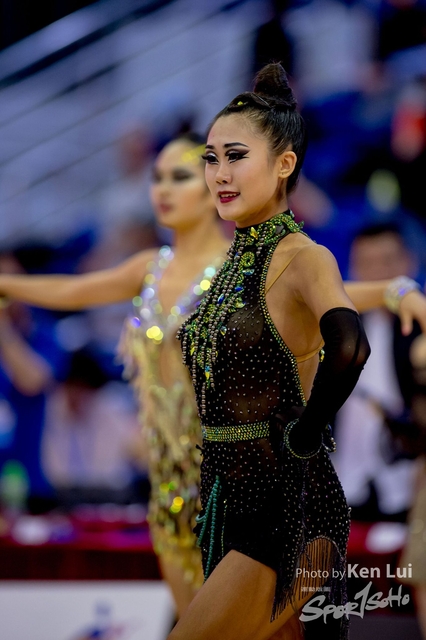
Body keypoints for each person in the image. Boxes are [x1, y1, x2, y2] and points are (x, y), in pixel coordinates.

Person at [0, 127, 425, 629]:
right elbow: (73, 290)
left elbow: (331, 291)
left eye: (179, 177)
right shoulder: (150, 268)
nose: (162, 189)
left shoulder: (240, 268)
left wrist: (396, 291)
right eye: (157, 177)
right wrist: (8, 285)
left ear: (210, 189)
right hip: (168, 489)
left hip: (233, 480)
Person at [169, 63, 426, 640]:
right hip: (226, 499)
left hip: (285, 504)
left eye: (236, 156)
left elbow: (350, 344)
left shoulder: (302, 255)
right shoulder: (234, 265)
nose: (219, 174)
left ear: (284, 164)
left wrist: (306, 433)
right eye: (211, 158)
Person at [333, 222, 421, 522]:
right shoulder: (338, 331)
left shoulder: (419, 329)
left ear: (410, 262)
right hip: (345, 481)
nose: (378, 274)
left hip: (406, 482)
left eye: (387, 261)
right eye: (366, 264)